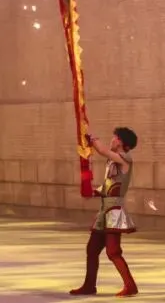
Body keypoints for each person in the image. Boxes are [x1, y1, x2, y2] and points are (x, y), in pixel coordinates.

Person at [70, 127, 139, 298]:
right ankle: (89, 285)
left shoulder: (125, 159)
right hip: (104, 210)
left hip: (114, 211)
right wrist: (93, 192)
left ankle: (130, 285)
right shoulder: (113, 161)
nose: (112, 140)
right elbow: (109, 185)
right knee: (92, 249)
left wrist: (91, 139)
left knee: (113, 251)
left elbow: (102, 151)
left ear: (121, 142)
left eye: (115, 137)